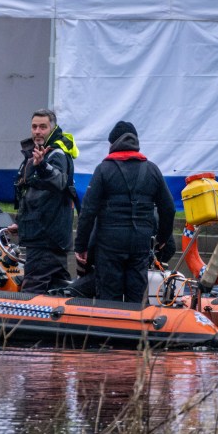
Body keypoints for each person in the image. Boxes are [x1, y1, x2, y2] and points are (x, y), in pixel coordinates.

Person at [73, 121, 175, 304]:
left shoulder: (103, 169)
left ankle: (110, 331)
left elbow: (88, 211)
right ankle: (136, 331)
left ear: (112, 144)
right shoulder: (152, 170)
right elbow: (168, 208)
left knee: (109, 299)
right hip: (140, 244)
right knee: (136, 297)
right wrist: (162, 239)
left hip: (109, 245)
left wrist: (81, 246)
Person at [14, 108, 79, 294]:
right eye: (34, 127)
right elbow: (33, 197)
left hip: (45, 238)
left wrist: (42, 165)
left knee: (32, 290)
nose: (37, 131)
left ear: (52, 128)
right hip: (47, 235)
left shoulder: (55, 154)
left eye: (43, 127)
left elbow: (59, 181)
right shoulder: (36, 153)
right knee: (59, 289)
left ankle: (24, 322)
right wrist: (20, 223)